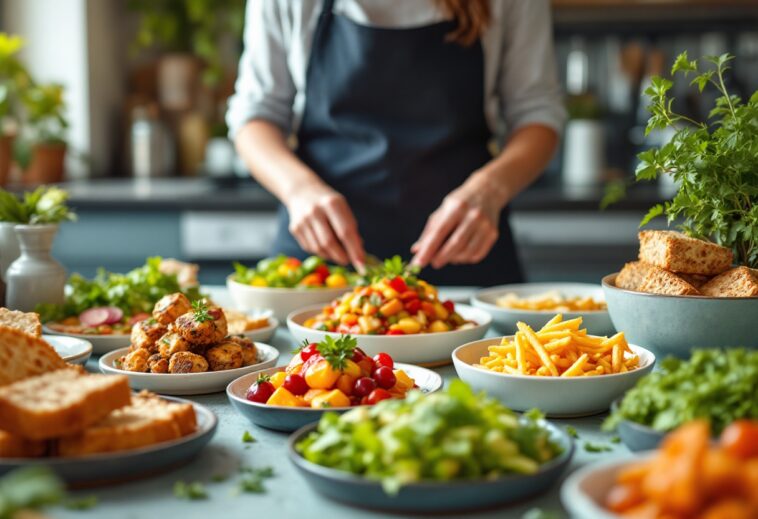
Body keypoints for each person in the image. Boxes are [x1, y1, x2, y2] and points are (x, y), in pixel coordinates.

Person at [227, 0, 565, 285]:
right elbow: (255, 117)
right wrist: (298, 190)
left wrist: (490, 190)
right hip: (320, 262)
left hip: (467, 251)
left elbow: (538, 117)